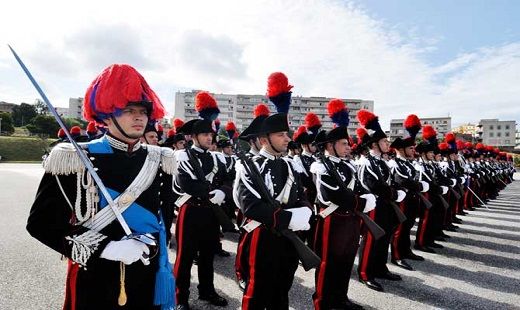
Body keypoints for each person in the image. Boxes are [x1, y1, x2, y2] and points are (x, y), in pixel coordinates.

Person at [27, 64, 175, 309]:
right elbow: (41, 224)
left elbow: (163, 216)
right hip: (95, 275)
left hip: (145, 273)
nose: (139, 117)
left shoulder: (160, 159)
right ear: (107, 115)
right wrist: (107, 248)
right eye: (128, 110)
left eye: (143, 111)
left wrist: (154, 247)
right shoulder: (74, 158)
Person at [234, 72, 312, 309]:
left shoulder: (290, 165)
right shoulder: (250, 166)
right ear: (265, 139)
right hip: (263, 237)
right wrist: (288, 218)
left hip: (288, 240)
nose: (288, 139)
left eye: (287, 134)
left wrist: (306, 212)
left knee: (282, 291)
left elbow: (301, 195)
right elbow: (250, 205)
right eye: (281, 135)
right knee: (257, 293)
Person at [172, 91, 229, 310]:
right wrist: (210, 192)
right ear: (193, 137)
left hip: (211, 212)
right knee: (185, 257)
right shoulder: (182, 156)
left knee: (207, 255)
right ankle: (181, 298)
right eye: (204, 135)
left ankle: (207, 291)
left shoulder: (216, 157)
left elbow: (228, 179)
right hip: (191, 210)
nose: (209, 138)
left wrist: (223, 191)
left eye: (210, 135)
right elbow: (186, 183)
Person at [310, 99, 368, 310]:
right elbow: (331, 195)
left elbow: (359, 188)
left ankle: (340, 298)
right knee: (328, 263)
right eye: (344, 143)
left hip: (350, 219)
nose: (348, 147)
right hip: (332, 220)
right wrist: (361, 201)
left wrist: (361, 199)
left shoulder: (348, 166)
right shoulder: (319, 166)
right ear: (329, 145)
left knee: (345, 261)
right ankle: (323, 302)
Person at [356, 109, 406, 292]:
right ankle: (365, 273)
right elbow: (371, 185)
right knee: (371, 239)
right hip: (374, 206)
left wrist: (397, 191)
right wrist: (393, 193)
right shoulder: (365, 163)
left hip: (386, 205)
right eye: (384, 141)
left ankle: (380, 267)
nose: (388, 143)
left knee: (384, 238)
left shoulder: (381, 162)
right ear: (375, 144)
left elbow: (391, 182)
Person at [388, 115, 429, 270]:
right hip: (402, 200)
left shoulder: (410, 164)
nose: (413, 150)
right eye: (410, 148)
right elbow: (401, 180)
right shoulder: (394, 163)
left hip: (411, 199)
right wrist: (418, 185)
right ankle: (397, 256)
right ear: (401, 149)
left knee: (408, 226)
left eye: (413, 147)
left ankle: (406, 251)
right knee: (399, 228)